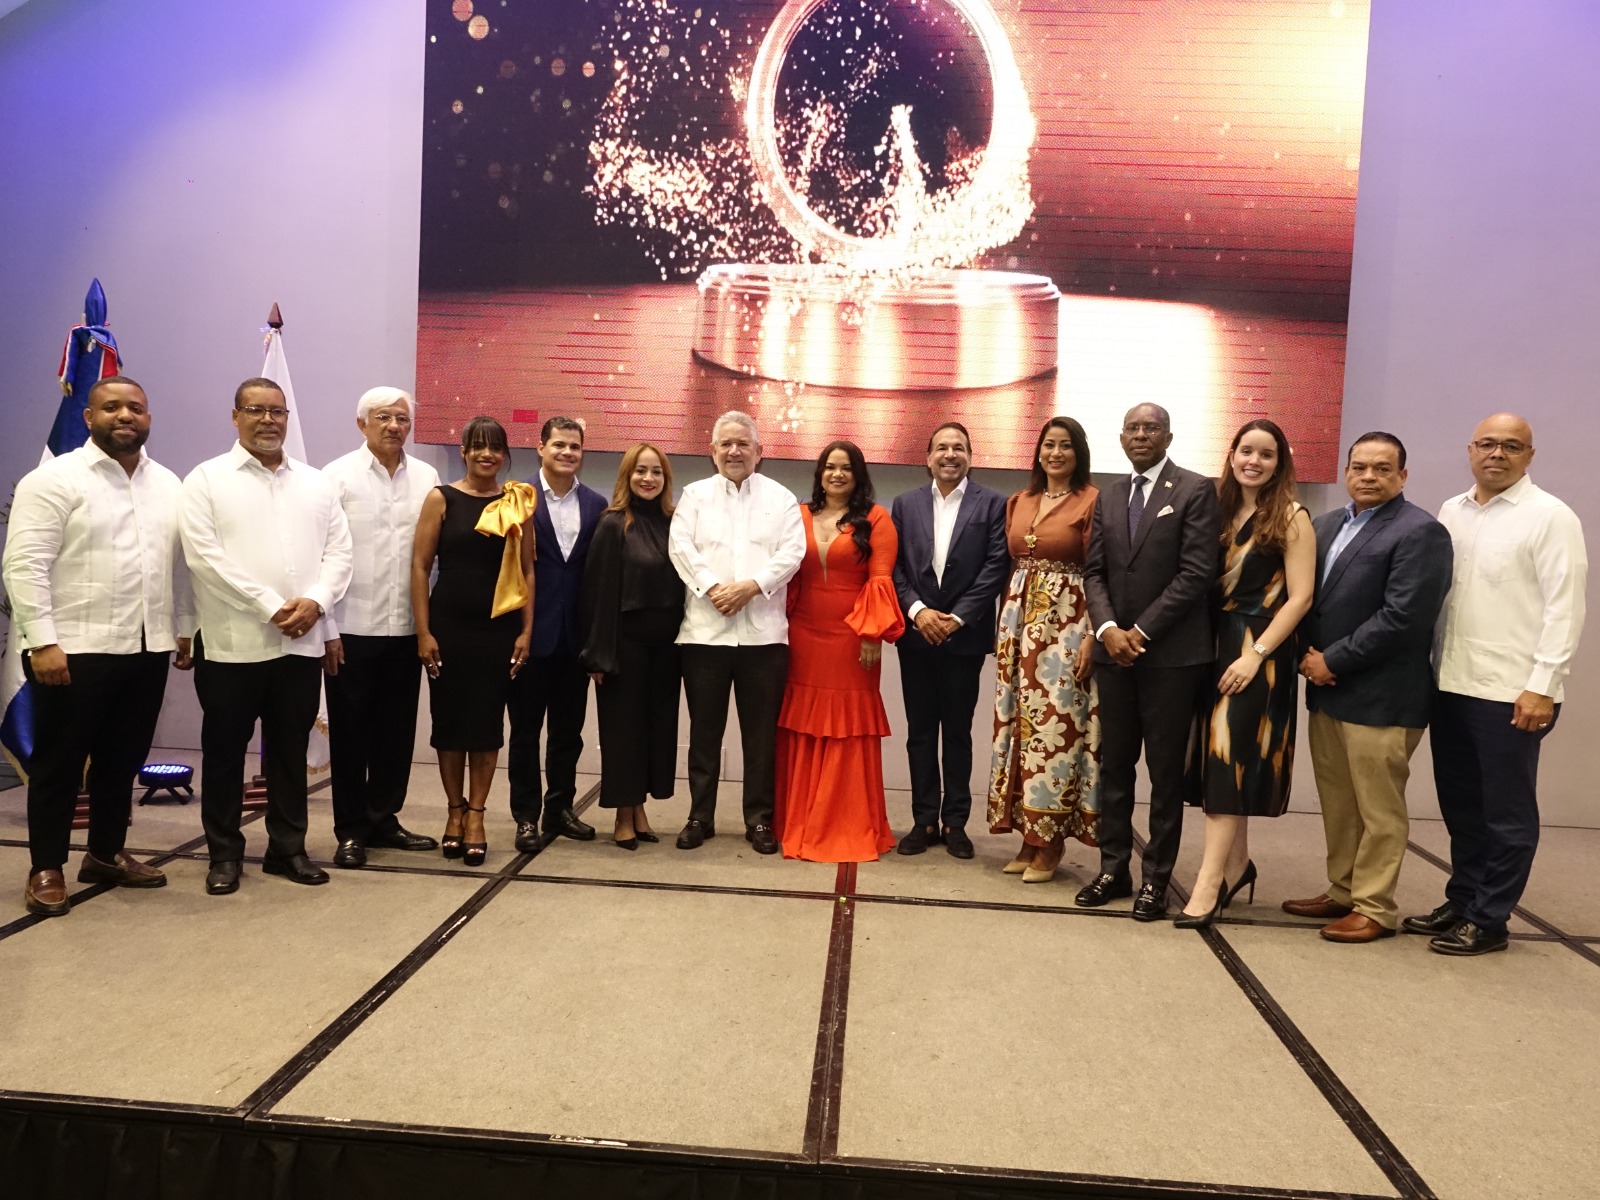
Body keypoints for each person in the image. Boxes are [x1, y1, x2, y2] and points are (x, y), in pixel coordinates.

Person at [3, 376, 193, 916]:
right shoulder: (53, 480)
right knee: (59, 764)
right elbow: (24, 565)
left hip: (147, 646)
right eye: (111, 407)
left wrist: (184, 627)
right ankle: (46, 867)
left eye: (136, 407)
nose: (125, 415)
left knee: (122, 759)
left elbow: (180, 566)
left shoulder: (169, 484)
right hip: (72, 648)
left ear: (149, 418)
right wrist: (42, 641)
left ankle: (105, 853)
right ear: (89, 418)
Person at [1405, 414, 1586, 956]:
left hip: (1513, 693)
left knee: (1506, 814)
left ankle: (1489, 919)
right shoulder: (1451, 512)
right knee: (1462, 806)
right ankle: (1463, 899)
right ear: (1470, 449)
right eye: (1487, 443)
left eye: (1511, 445)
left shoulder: (1551, 517)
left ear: (1529, 455)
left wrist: (1543, 686)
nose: (1497, 453)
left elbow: (1565, 609)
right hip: (1452, 683)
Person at [1275, 433, 1453, 942]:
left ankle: (1374, 908)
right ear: (1347, 471)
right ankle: (1343, 890)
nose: (1369, 476)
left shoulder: (1421, 532)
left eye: (1382, 468)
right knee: (1340, 802)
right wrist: (1309, 659)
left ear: (1403, 475)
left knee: (1379, 810)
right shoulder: (1326, 524)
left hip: (1383, 696)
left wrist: (1332, 660)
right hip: (1329, 691)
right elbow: (1302, 599)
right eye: (1359, 467)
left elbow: (1404, 618)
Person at [180, 378, 353, 895]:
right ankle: (224, 854)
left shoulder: (316, 483)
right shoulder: (206, 479)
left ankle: (287, 849)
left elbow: (339, 552)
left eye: (277, 411)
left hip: (299, 644)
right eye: (256, 410)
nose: (268, 420)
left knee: (287, 752)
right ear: (235, 415)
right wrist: (270, 606)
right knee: (225, 754)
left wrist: (316, 601)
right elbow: (204, 557)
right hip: (231, 644)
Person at [1082, 403, 1222, 920]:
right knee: (1115, 768)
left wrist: (1139, 632)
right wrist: (1107, 630)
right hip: (1113, 654)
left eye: (1151, 428)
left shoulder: (1195, 489)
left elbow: (1196, 573)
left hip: (1171, 657)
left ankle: (1156, 880)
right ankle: (1112, 870)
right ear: (1121, 438)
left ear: (1168, 436)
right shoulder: (1109, 494)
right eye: (1133, 428)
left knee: (1164, 776)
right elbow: (1094, 572)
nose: (1141, 435)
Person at [1175, 420, 1314, 929]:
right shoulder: (1214, 510)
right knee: (1219, 764)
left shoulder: (1292, 516)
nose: (1254, 461)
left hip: (1260, 650)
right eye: (1247, 451)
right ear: (1232, 454)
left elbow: (1300, 597)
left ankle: (1208, 882)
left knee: (1226, 756)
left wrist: (1255, 654)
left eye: (1267, 454)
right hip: (1211, 644)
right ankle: (1237, 867)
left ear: (1280, 464)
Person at [668, 411, 805, 854]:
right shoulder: (695, 496)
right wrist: (713, 588)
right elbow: (680, 548)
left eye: (743, 444)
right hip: (704, 635)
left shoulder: (781, 498)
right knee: (704, 734)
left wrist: (751, 587)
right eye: (725, 444)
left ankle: (760, 820)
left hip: (764, 638)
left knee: (760, 737)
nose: (734, 451)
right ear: (712, 452)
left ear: (759, 452)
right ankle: (699, 817)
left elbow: (792, 553)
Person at [321, 386, 441, 868]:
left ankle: (383, 819)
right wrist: (327, 628)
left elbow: (431, 556)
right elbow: (321, 555)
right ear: (361, 423)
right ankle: (351, 830)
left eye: (402, 419)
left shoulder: (427, 477)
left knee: (396, 732)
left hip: (407, 627)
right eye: (384, 417)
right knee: (351, 734)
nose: (394, 426)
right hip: (351, 626)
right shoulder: (335, 477)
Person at [411, 417, 535, 867]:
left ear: (505, 454)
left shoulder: (516, 501)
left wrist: (526, 631)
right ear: (463, 450)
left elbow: (528, 569)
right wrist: (424, 632)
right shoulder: (440, 498)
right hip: (448, 628)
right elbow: (420, 566)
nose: (487, 454)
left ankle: (477, 815)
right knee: (448, 725)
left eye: (495, 447)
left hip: (498, 631)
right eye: (478, 446)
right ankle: (454, 810)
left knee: (486, 726)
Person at [774, 441, 904, 862]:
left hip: (854, 637)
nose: (837, 474)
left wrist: (871, 634)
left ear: (858, 474)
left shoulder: (877, 519)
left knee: (847, 727)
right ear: (820, 473)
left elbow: (880, 579)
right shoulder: (798, 514)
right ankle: (800, 820)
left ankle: (844, 823)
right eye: (830, 467)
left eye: (846, 468)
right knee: (804, 723)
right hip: (802, 633)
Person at [985, 418, 1101, 882]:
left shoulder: (1092, 501)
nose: (1056, 453)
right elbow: (1009, 564)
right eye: (1049, 445)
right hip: (1018, 627)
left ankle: (1050, 842)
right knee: (1017, 728)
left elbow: (1100, 572)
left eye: (1065, 446)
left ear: (1079, 453)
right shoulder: (1020, 501)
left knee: (1057, 731)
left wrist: (1092, 634)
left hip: (1066, 626)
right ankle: (1028, 836)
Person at [890, 422, 1009, 860]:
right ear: (928, 458)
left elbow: (996, 566)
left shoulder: (993, 503)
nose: (950, 455)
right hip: (917, 634)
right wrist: (919, 612)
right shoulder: (905, 504)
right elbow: (894, 566)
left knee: (958, 733)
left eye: (959, 447)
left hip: (964, 638)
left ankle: (955, 822)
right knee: (920, 732)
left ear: (970, 457)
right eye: (941, 447)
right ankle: (923, 820)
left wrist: (957, 618)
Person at [508, 416, 607, 851]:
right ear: (541, 448)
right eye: (559, 445)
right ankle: (526, 817)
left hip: (575, 641)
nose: (567, 452)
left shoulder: (597, 504)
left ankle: (560, 808)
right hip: (528, 636)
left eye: (575, 446)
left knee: (568, 734)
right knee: (525, 734)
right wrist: (517, 630)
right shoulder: (517, 498)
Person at [580, 443, 685, 848]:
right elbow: (597, 592)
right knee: (624, 731)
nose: (648, 478)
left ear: (665, 479)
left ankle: (639, 808)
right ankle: (623, 816)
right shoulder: (612, 523)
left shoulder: (675, 522)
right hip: (624, 645)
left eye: (656, 472)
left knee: (656, 729)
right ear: (627, 475)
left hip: (667, 646)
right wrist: (597, 654)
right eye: (641, 470)